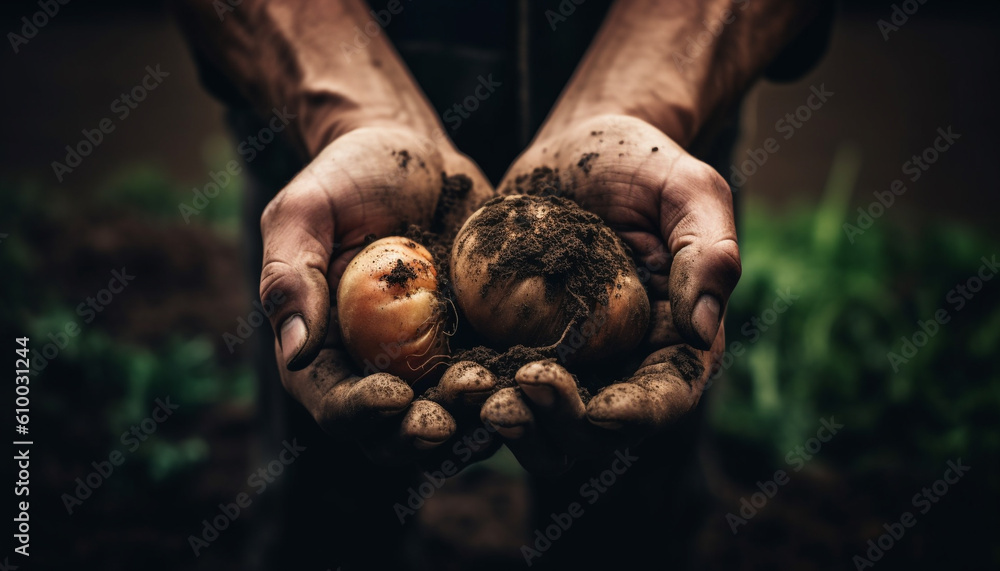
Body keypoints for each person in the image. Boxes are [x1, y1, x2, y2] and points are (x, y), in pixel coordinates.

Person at [173, 1, 833, 568]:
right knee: (327, 493)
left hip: (647, 183)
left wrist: (649, 101)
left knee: (625, 511)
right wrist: (343, 110)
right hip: (336, 169)